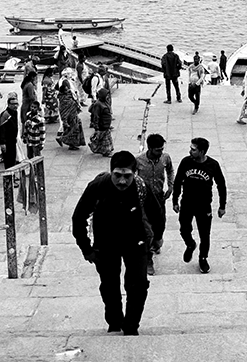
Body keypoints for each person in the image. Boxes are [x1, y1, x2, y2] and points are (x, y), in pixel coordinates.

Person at [72, 151, 156, 335]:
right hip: (106, 243)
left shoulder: (141, 188)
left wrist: (156, 240)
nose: (122, 182)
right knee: (109, 286)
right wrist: (87, 249)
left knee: (138, 285)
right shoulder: (98, 187)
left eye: (127, 176)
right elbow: (78, 218)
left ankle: (131, 326)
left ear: (135, 174)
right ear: (111, 172)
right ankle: (115, 321)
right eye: (117, 176)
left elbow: (157, 213)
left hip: (135, 242)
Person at [172, 137, 227, 274]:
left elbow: (221, 185)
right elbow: (178, 181)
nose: (190, 151)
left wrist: (222, 206)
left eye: (193, 149)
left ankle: (203, 258)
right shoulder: (186, 162)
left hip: (203, 206)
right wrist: (175, 200)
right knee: (184, 229)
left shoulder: (213, 165)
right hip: (187, 203)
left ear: (202, 151)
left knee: (205, 234)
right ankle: (190, 244)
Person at [136, 133, 175, 275]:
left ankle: (157, 241)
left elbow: (170, 170)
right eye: (157, 150)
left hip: (159, 199)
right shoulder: (139, 161)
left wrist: (171, 186)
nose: (160, 152)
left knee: (160, 225)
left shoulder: (165, 158)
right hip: (143, 201)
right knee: (147, 231)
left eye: (162, 149)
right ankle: (148, 259)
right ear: (150, 148)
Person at [57, 79, 86, 150]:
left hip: (74, 115)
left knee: (74, 129)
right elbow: (64, 111)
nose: (68, 90)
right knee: (73, 130)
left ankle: (68, 141)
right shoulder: (63, 99)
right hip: (70, 117)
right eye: (66, 90)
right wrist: (65, 120)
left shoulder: (70, 94)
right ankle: (70, 144)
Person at [88, 88, 114, 156]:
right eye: (106, 95)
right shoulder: (98, 104)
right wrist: (96, 125)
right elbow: (96, 116)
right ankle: (106, 152)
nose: (108, 97)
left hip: (106, 124)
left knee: (105, 138)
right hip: (102, 125)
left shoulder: (104, 102)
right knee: (105, 139)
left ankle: (96, 146)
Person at [0, 93, 20, 169]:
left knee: (13, 159)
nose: (15, 106)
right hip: (7, 142)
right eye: (13, 104)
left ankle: (12, 177)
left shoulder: (15, 112)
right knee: (8, 161)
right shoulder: (5, 114)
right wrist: (2, 143)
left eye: (16, 104)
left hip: (13, 140)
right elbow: (2, 130)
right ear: (8, 104)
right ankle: (8, 178)